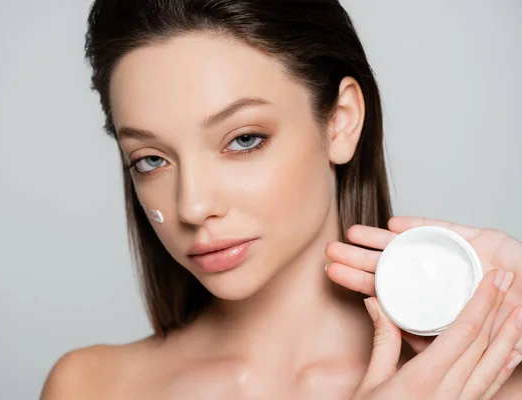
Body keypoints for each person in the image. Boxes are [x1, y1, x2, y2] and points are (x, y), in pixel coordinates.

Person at [41, 0, 522, 398]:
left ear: (341, 121)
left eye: (244, 139)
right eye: (151, 160)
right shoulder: (90, 387)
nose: (191, 206)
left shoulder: (485, 380)